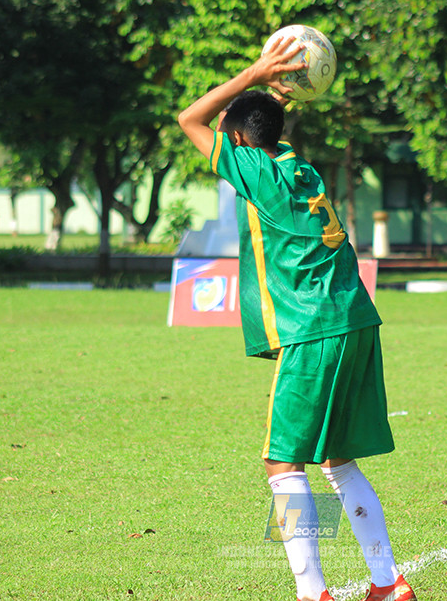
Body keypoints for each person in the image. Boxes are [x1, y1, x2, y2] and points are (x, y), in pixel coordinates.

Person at [177, 40, 416, 601]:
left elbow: (189, 117)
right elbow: (258, 128)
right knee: (337, 458)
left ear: (236, 139)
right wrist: (279, 98)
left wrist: (255, 73)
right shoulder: (300, 167)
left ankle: (314, 594)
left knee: (282, 463)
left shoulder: (255, 169)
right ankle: (387, 583)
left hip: (315, 330)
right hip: (354, 317)